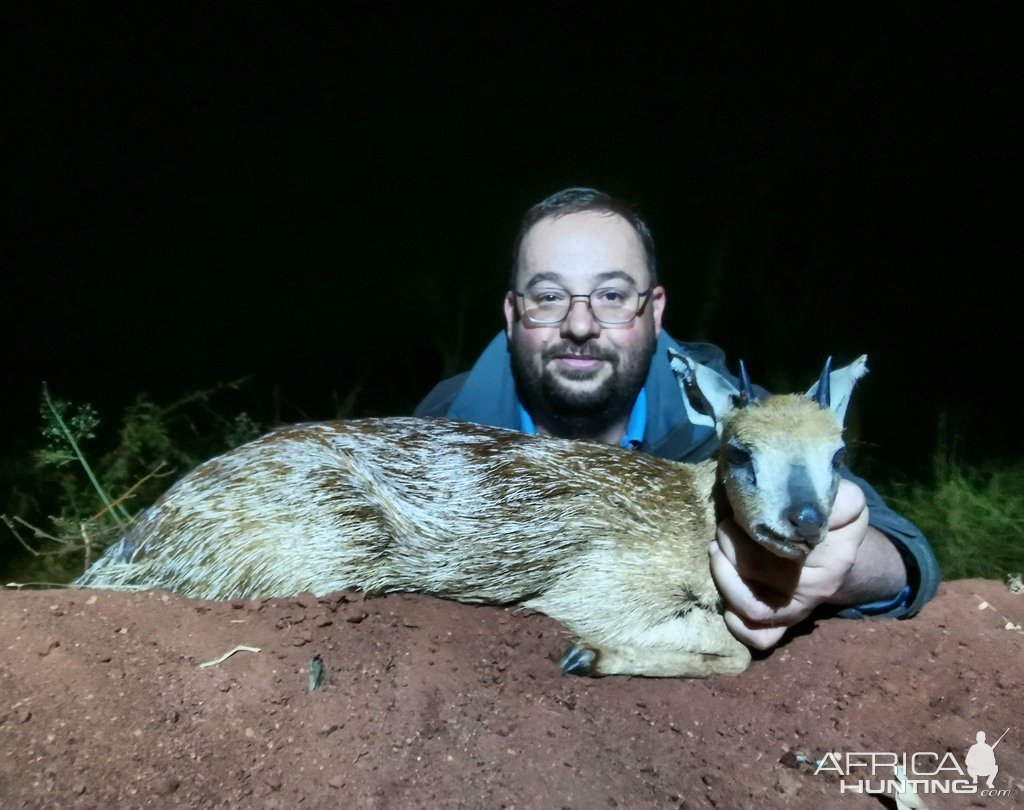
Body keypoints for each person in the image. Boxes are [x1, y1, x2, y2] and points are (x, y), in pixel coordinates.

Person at [415, 187, 940, 651]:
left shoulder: (737, 417)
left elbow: (904, 553)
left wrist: (847, 563)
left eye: (613, 296)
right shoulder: (445, 423)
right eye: (549, 297)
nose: (580, 324)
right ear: (513, 314)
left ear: (655, 308)